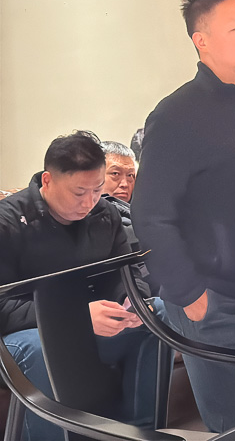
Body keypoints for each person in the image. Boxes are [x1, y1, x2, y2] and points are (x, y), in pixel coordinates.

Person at [131, 0, 235, 432]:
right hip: (212, 300)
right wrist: (188, 294)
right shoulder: (176, 114)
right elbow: (151, 214)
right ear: (201, 40)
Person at [0, 131, 161, 441]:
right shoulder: (8, 222)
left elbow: (123, 270)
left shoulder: (105, 213)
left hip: (86, 324)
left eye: (98, 189)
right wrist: (78, 320)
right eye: (79, 192)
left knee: (157, 315)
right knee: (38, 348)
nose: (89, 202)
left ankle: (139, 432)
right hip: (21, 336)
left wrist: (133, 300)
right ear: (48, 180)